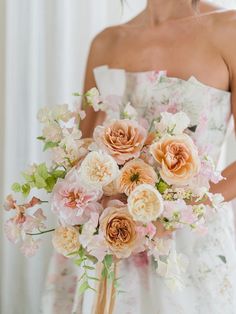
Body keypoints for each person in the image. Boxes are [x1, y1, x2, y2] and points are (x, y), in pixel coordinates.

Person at [41, 1, 236, 313]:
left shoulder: (230, 29)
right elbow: (81, 152)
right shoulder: (106, 43)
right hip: (114, 242)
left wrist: (173, 213)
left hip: (190, 249)